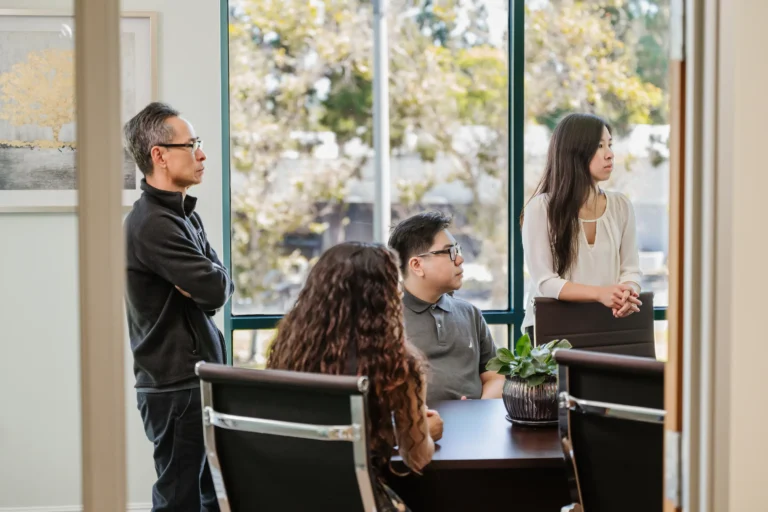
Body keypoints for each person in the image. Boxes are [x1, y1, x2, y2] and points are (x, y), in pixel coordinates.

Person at [267, 242, 442, 512]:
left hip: (285, 494)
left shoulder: (289, 347)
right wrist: (423, 433)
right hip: (358, 501)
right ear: (385, 298)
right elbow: (416, 458)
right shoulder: (398, 364)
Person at [123, 102, 233, 512]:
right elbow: (215, 289)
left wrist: (206, 282)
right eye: (193, 144)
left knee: (210, 499)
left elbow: (217, 285)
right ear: (160, 155)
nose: (202, 154)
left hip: (194, 380)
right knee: (178, 501)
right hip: (175, 385)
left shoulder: (184, 214)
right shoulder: (153, 222)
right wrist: (206, 282)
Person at [521, 112, 643, 341]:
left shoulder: (621, 205)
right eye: (599, 146)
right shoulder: (540, 208)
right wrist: (600, 294)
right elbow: (546, 282)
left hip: (607, 324)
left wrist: (627, 291)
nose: (610, 154)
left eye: (610, 144)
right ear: (575, 151)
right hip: (551, 331)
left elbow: (631, 270)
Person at [387, 212, 504, 404]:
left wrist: (478, 410)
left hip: (474, 428)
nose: (460, 259)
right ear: (417, 265)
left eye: (457, 250)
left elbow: (495, 376)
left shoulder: (470, 313)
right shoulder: (387, 319)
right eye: (450, 252)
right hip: (417, 430)